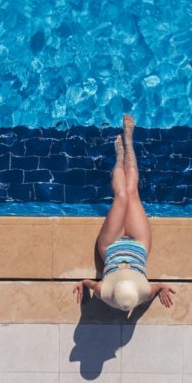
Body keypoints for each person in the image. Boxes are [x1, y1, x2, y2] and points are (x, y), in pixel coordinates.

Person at [73, 114, 177, 315]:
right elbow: (157, 287)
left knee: (121, 196)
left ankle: (120, 157)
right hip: (139, 244)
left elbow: (88, 283)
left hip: (110, 245)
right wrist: (162, 287)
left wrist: (81, 284)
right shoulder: (145, 291)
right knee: (131, 190)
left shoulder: (104, 292)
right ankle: (128, 143)